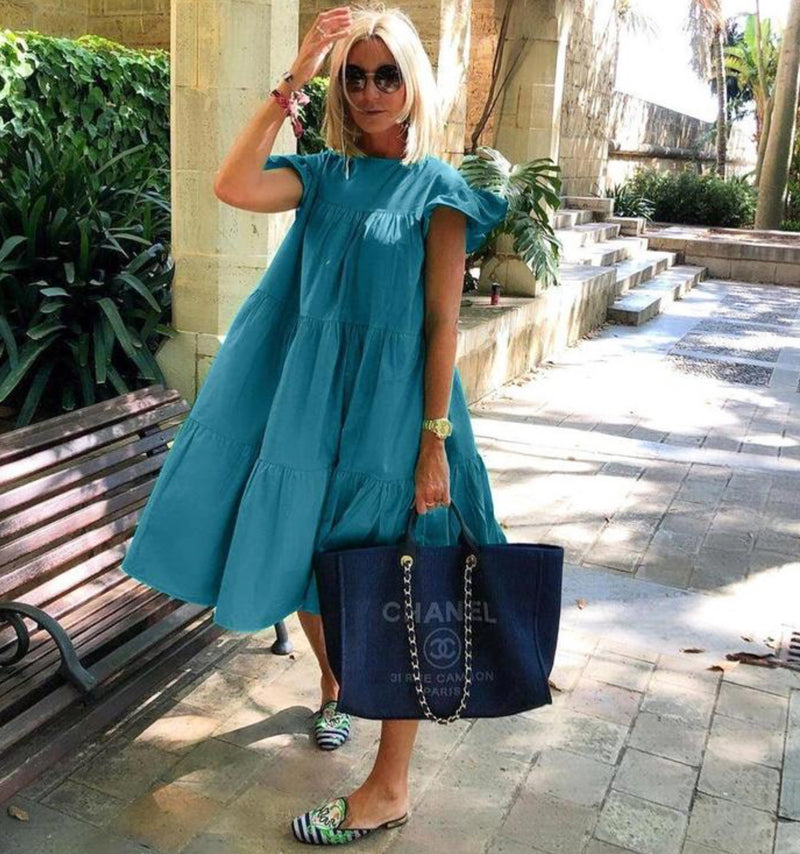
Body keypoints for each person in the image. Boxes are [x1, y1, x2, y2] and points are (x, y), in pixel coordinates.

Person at [120, 1, 509, 845]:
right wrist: (295, 75)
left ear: (412, 82)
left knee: (403, 585)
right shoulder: (324, 175)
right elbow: (232, 185)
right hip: (310, 406)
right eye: (355, 76)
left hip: (395, 416)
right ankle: (334, 687)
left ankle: (389, 785)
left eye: (386, 75)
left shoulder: (440, 191)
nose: (369, 91)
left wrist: (434, 444)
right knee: (314, 562)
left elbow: (442, 324)